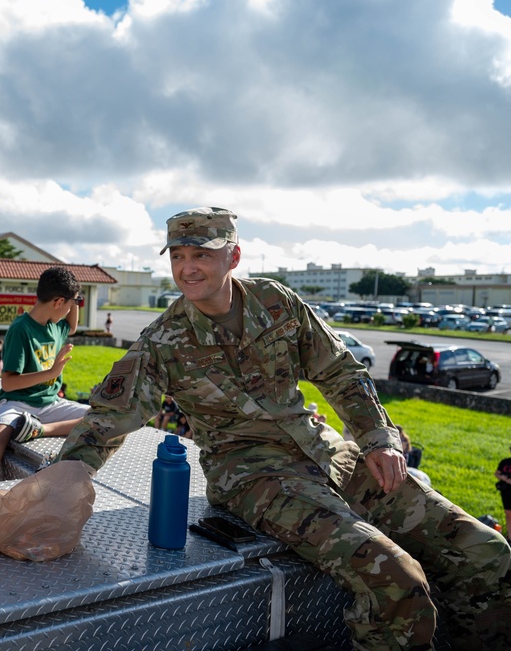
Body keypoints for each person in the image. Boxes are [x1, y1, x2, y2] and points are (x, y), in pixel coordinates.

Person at [57, 207, 511, 650]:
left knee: (485, 551)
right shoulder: (163, 340)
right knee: (393, 575)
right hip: (254, 477)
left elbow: (340, 371)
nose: (187, 269)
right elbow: (109, 416)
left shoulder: (276, 303)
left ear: (233, 257)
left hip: (329, 455)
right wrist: (61, 483)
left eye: (201, 255)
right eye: (177, 256)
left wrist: (377, 438)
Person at [0, 266, 89, 484]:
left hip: (50, 405)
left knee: (100, 417)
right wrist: (52, 372)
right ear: (57, 302)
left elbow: (72, 326)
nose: (70, 310)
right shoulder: (21, 328)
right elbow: (8, 384)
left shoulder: (56, 326)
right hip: (18, 404)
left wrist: (75, 292)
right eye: (71, 304)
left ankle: (40, 430)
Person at [496, 445, 511, 542]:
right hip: (507, 492)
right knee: (508, 514)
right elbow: (497, 473)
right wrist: (505, 479)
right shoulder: (505, 462)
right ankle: (510, 537)